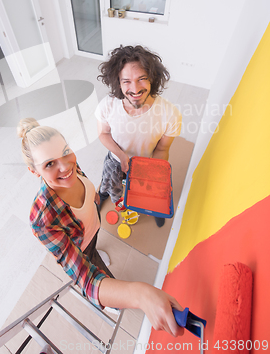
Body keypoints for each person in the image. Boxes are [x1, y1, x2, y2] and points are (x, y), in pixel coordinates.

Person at [17, 118, 184, 337]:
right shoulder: (42, 219)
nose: (65, 166)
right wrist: (140, 294)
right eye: (49, 164)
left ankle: (95, 253)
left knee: (94, 247)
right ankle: (111, 299)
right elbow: (87, 280)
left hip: (92, 228)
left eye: (66, 152)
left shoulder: (70, 168)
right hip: (81, 245)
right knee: (93, 262)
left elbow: (81, 178)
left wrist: (94, 198)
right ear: (34, 171)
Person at [95, 45, 182, 227]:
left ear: (153, 79)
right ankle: (103, 194)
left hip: (146, 166)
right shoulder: (107, 106)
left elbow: (162, 148)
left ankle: (154, 207)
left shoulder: (170, 114)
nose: (134, 89)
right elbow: (103, 133)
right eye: (126, 81)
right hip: (115, 160)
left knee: (148, 197)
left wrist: (152, 176)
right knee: (108, 186)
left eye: (141, 79)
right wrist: (121, 155)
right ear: (118, 82)